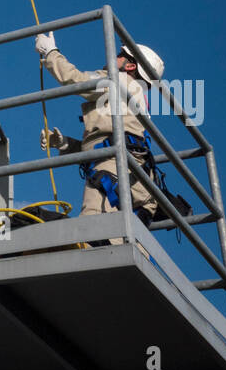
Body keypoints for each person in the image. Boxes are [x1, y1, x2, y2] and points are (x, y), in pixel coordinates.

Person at [35, 33, 165, 244]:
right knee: (121, 241)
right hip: (138, 180)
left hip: (111, 173)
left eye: (121, 55)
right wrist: (65, 143)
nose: (115, 57)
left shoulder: (118, 80)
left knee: (92, 235)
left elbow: (76, 80)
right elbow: (108, 145)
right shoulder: (137, 101)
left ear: (131, 66)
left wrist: (50, 52)